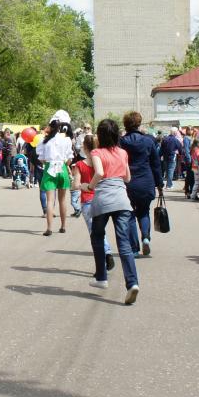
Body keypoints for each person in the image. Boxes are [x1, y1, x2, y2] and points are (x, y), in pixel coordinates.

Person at [85, 119, 140, 305]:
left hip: (103, 200)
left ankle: (101, 277)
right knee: (124, 243)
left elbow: (99, 172)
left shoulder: (96, 152)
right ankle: (132, 283)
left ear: (99, 135)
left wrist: (89, 186)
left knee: (97, 236)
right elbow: (127, 177)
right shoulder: (123, 152)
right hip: (122, 200)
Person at [119, 111, 162, 255]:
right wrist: (160, 185)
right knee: (144, 212)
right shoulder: (148, 141)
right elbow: (156, 165)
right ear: (139, 123)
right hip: (146, 181)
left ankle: (134, 248)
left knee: (129, 215)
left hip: (127, 183)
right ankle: (146, 238)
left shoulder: (121, 142)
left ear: (126, 124)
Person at [71, 133, 114, 271]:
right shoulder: (101, 162)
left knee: (94, 232)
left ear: (84, 147)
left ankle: (105, 255)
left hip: (88, 200)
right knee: (101, 229)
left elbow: (75, 185)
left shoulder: (79, 165)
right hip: (102, 199)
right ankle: (106, 253)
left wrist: (81, 185)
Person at [38, 112, 75, 237]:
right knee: (63, 199)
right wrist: (67, 165)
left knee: (50, 200)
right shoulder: (66, 139)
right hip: (62, 167)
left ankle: (49, 228)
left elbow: (41, 158)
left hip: (49, 168)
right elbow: (70, 158)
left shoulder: (44, 141)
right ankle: (63, 226)